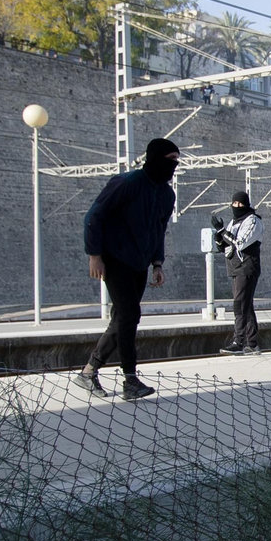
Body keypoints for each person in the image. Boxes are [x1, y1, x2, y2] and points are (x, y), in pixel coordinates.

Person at [74, 137, 178, 401]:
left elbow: (159, 230)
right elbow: (94, 216)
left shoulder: (167, 194)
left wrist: (157, 262)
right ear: (154, 158)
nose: (174, 166)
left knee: (122, 319)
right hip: (115, 259)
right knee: (131, 314)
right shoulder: (127, 183)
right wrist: (94, 255)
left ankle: (88, 372)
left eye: (177, 161)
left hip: (139, 263)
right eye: (170, 160)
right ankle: (130, 379)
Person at [215, 191, 263, 356]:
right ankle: (252, 344)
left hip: (247, 267)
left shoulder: (253, 221)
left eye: (239, 204)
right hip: (235, 268)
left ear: (246, 204)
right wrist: (219, 237)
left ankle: (238, 342)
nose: (236, 207)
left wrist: (223, 231)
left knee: (240, 304)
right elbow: (226, 247)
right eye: (234, 204)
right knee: (246, 306)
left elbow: (240, 243)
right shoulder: (233, 223)